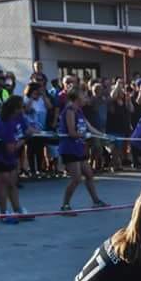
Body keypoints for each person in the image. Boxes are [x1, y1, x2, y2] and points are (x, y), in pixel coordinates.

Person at [0, 95, 36, 224]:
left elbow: (28, 128)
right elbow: (12, 147)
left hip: (7, 155)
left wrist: (32, 131)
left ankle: (18, 210)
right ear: (15, 109)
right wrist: (25, 139)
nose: (24, 108)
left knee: (12, 182)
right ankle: (3, 214)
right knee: (3, 182)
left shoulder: (19, 116)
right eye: (21, 107)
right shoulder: (3, 122)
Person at [57, 85, 107, 214]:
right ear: (77, 97)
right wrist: (85, 135)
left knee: (89, 174)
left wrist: (103, 135)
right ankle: (65, 205)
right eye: (84, 96)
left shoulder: (79, 111)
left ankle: (96, 201)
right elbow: (72, 132)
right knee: (76, 178)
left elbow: (89, 126)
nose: (86, 98)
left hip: (79, 147)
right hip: (69, 148)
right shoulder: (69, 111)